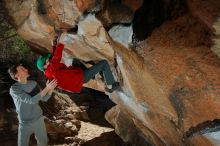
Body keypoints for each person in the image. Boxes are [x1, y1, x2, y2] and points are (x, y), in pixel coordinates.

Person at [36, 33, 120, 93]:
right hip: (80, 78)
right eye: (47, 61)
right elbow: (56, 56)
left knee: (75, 61)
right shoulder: (51, 69)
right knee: (104, 63)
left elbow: (53, 59)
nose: (48, 60)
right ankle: (110, 86)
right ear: (45, 66)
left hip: (74, 78)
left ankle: (94, 75)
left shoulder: (48, 73)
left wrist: (54, 45)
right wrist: (61, 40)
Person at [8, 64, 57, 146]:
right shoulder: (15, 89)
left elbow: (44, 98)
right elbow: (31, 100)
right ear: (17, 75)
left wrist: (51, 89)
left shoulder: (34, 83)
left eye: (24, 67)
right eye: (22, 69)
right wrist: (47, 88)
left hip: (38, 119)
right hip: (24, 123)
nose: (26, 69)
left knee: (43, 143)